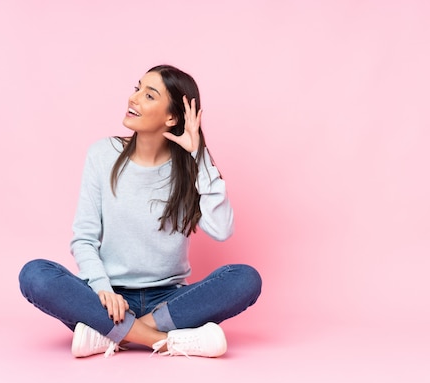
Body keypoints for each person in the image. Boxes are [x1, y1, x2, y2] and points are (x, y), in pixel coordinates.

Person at [19, 65, 262, 358]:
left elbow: (222, 230)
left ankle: (111, 334)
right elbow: (84, 238)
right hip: (107, 299)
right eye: (137, 89)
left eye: (149, 95)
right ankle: (165, 341)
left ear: (171, 117)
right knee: (35, 274)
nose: (134, 99)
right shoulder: (102, 154)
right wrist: (102, 290)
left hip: (169, 301)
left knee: (245, 278)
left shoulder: (189, 168)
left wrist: (199, 157)